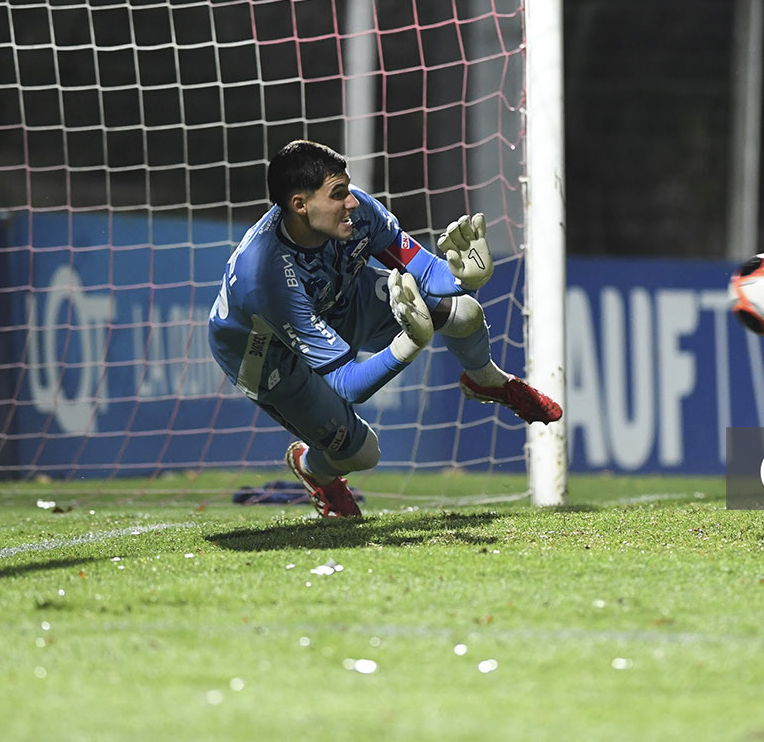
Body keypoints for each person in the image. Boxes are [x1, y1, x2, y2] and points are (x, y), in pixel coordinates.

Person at [208, 140, 562, 517]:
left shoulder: (358, 215)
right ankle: (314, 470)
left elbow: (427, 272)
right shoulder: (268, 279)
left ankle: (487, 380)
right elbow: (348, 385)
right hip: (265, 353)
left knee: (465, 313)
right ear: (300, 205)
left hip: (339, 300)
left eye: (347, 188)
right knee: (362, 452)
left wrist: (466, 276)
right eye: (338, 194)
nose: (353, 202)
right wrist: (409, 343)